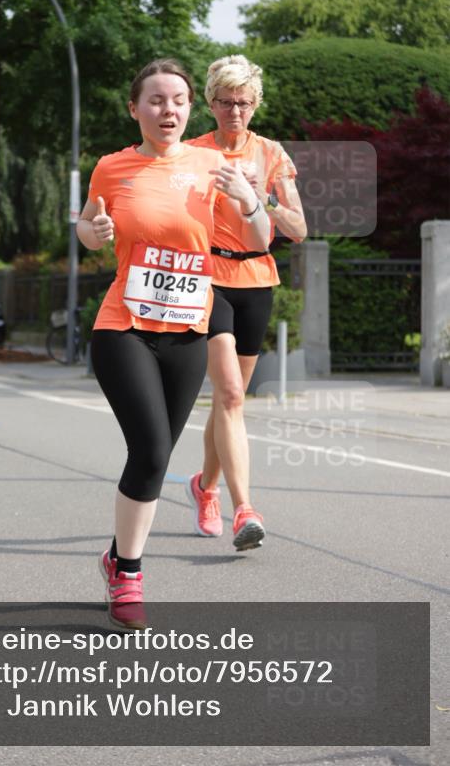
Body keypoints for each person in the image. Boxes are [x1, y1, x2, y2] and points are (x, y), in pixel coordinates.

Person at [77, 59, 270, 630]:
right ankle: (130, 571)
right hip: (124, 324)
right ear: (135, 109)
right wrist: (96, 231)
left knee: (154, 458)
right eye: (157, 100)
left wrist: (250, 199)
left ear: (191, 109)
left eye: (179, 100)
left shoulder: (214, 165)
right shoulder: (112, 168)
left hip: (188, 327)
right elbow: (88, 228)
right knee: (154, 450)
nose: (169, 110)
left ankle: (114, 557)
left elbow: (260, 240)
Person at [185, 55, 307, 550]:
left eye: (244, 103)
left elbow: (298, 230)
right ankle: (244, 511)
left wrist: (264, 198)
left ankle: (204, 486)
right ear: (211, 103)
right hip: (207, 277)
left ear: (256, 104)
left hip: (257, 277)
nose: (235, 111)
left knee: (227, 400)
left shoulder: (272, 154)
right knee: (232, 394)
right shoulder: (191, 152)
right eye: (225, 102)